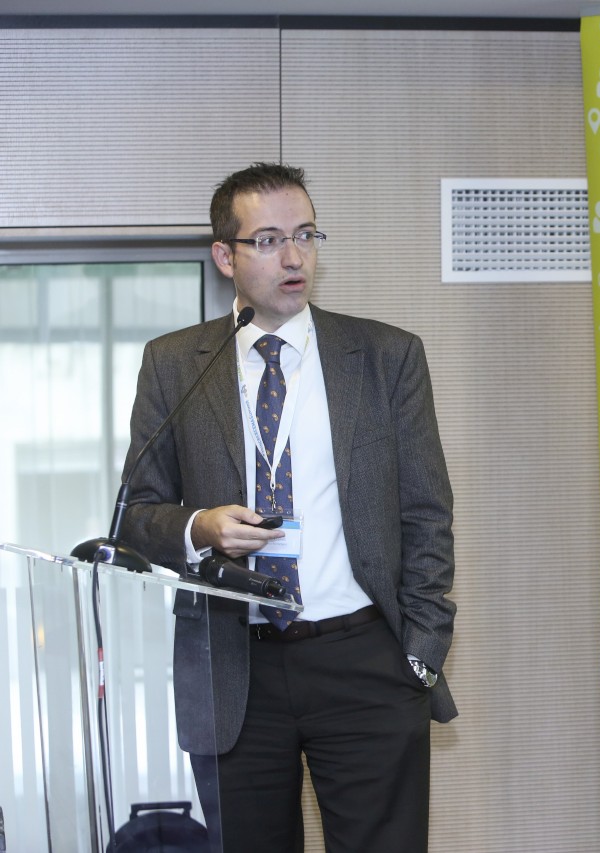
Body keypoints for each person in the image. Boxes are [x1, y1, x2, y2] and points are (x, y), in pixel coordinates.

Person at [120, 162, 457, 852]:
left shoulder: (386, 357)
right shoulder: (176, 364)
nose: (294, 256)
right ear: (225, 256)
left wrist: (420, 653)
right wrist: (200, 527)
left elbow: (427, 512)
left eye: (305, 234)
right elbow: (135, 514)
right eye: (269, 240)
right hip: (233, 668)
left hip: (365, 660)